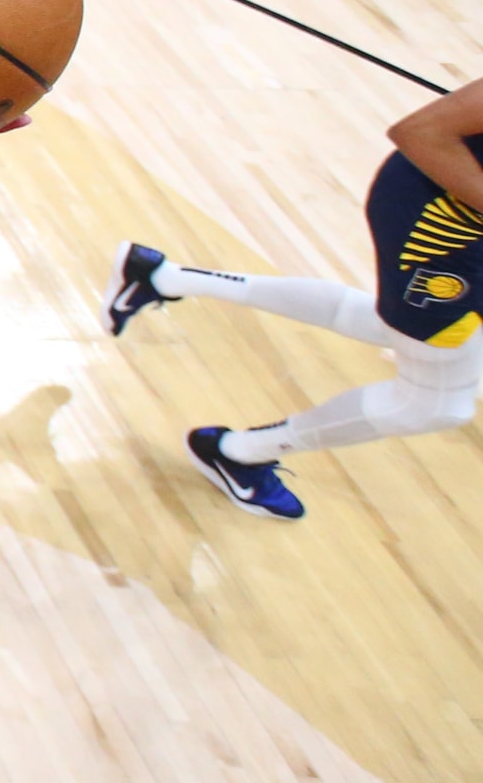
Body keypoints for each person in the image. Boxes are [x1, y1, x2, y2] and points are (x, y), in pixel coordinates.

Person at [108, 76, 483, 518]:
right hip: (442, 226)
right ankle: (234, 452)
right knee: (436, 406)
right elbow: (418, 132)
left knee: (403, 329)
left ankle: (164, 278)